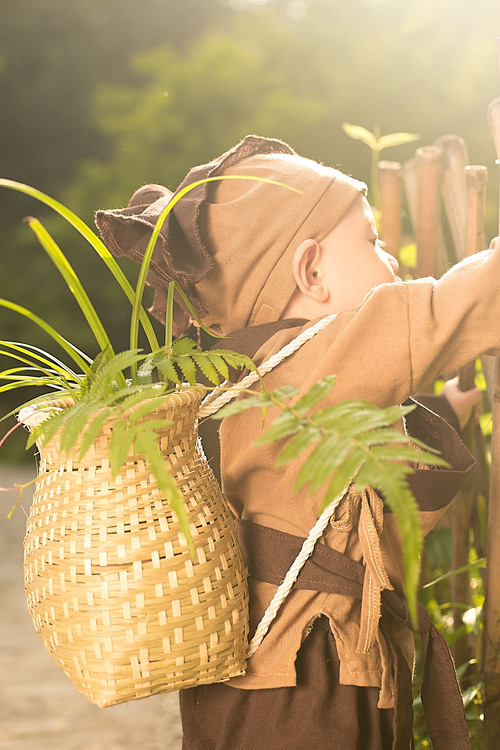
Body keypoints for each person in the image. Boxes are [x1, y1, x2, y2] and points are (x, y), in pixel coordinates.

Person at [95, 135, 489, 750]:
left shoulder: (256, 374)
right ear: (311, 272)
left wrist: (442, 412)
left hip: (256, 678)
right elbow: (448, 309)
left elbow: (345, 511)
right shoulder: (326, 354)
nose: (395, 266)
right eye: (373, 241)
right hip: (310, 680)